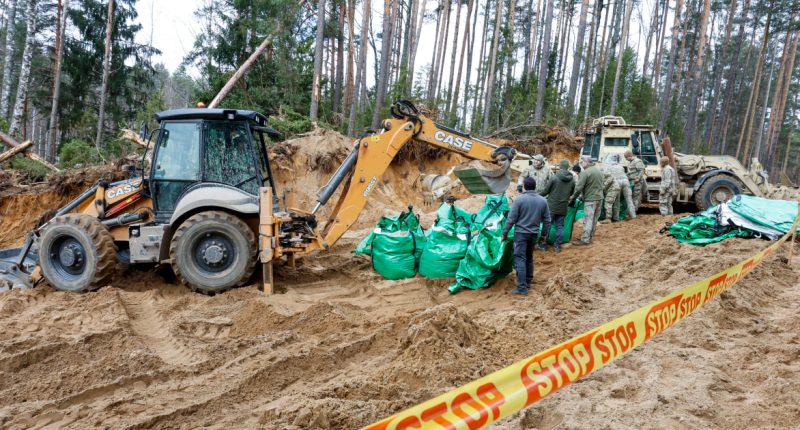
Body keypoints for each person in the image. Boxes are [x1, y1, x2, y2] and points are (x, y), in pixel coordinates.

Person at [501, 176, 551, 296]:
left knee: (520, 259)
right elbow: (547, 220)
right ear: (535, 186)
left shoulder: (519, 200)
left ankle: (522, 288)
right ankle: (528, 281)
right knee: (529, 257)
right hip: (534, 234)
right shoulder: (543, 200)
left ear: (524, 186)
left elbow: (511, 219)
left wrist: (504, 233)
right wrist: (544, 235)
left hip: (521, 234)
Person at [539, 159, 575, 253]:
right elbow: (571, 193)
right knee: (560, 226)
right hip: (563, 206)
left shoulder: (554, 177)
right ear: (567, 167)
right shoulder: (572, 180)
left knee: (548, 225)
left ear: (560, 166)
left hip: (551, 206)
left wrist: (537, 195)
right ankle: (557, 246)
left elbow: (546, 191)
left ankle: (543, 245)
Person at [569, 155, 604, 245]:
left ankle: (585, 239)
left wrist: (572, 199)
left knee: (588, 219)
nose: (581, 163)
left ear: (587, 162)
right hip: (599, 198)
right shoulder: (598, 171)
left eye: (582, 162)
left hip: (590, 199)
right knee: (594, 219)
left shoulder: (585, 173)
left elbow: (578, 188)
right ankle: (589, 236)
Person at [608, 155, 636, 220]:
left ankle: (616, 217)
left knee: (616, 201)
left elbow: (609, 178)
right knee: (629, 200)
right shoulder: (621, 167)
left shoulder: (610, 167)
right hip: (625, 181)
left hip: (617, 183)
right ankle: (633, 215)